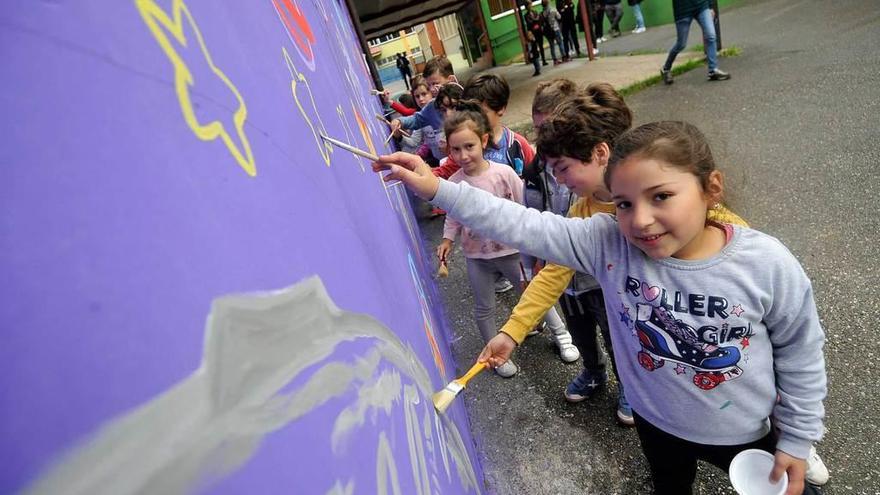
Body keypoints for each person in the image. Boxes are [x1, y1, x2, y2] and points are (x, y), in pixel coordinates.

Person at [373, 121, 827, 495]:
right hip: (657, 424)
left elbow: (801, 354)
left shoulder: (766, 263)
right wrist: (437, 186)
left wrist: (798, 437)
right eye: (624, 203)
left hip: (745, 431)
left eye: (661, 196)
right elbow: (519, 222)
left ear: (711, 188)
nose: (641, 219)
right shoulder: (607, 240)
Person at [434, 101, 527, 378]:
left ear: (484, 140)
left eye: (469, 146)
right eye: (455, 149)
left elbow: (525, 208)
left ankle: (561, 335)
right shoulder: (454, 183)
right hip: (477, 257)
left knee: (531, 293)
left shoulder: (504, 174)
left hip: (511, 251)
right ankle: (495, 357)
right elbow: (452, 216)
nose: (462, 155)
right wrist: (448, 240)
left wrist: (531, 244)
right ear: (448, 149)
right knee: (483, 307)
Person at [661, 0, 730, 84]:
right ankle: (666, 68)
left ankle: (713, 70)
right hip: (683, 10)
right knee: (681, 44)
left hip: (701, 5)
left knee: (711, 36)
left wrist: (711, 6)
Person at [525, 3, 548, 71]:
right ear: (526, 7)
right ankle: (537, 63)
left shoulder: (535, 12)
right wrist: (535, 21)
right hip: (533, 32)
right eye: (528, 5)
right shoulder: (526, 15)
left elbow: (539, 19)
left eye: (530, 5)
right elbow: (529, 23)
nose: (530, 6)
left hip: (539, 31)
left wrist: (537, 23)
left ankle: (543, 60)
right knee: (534, 48)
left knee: (541, 46)